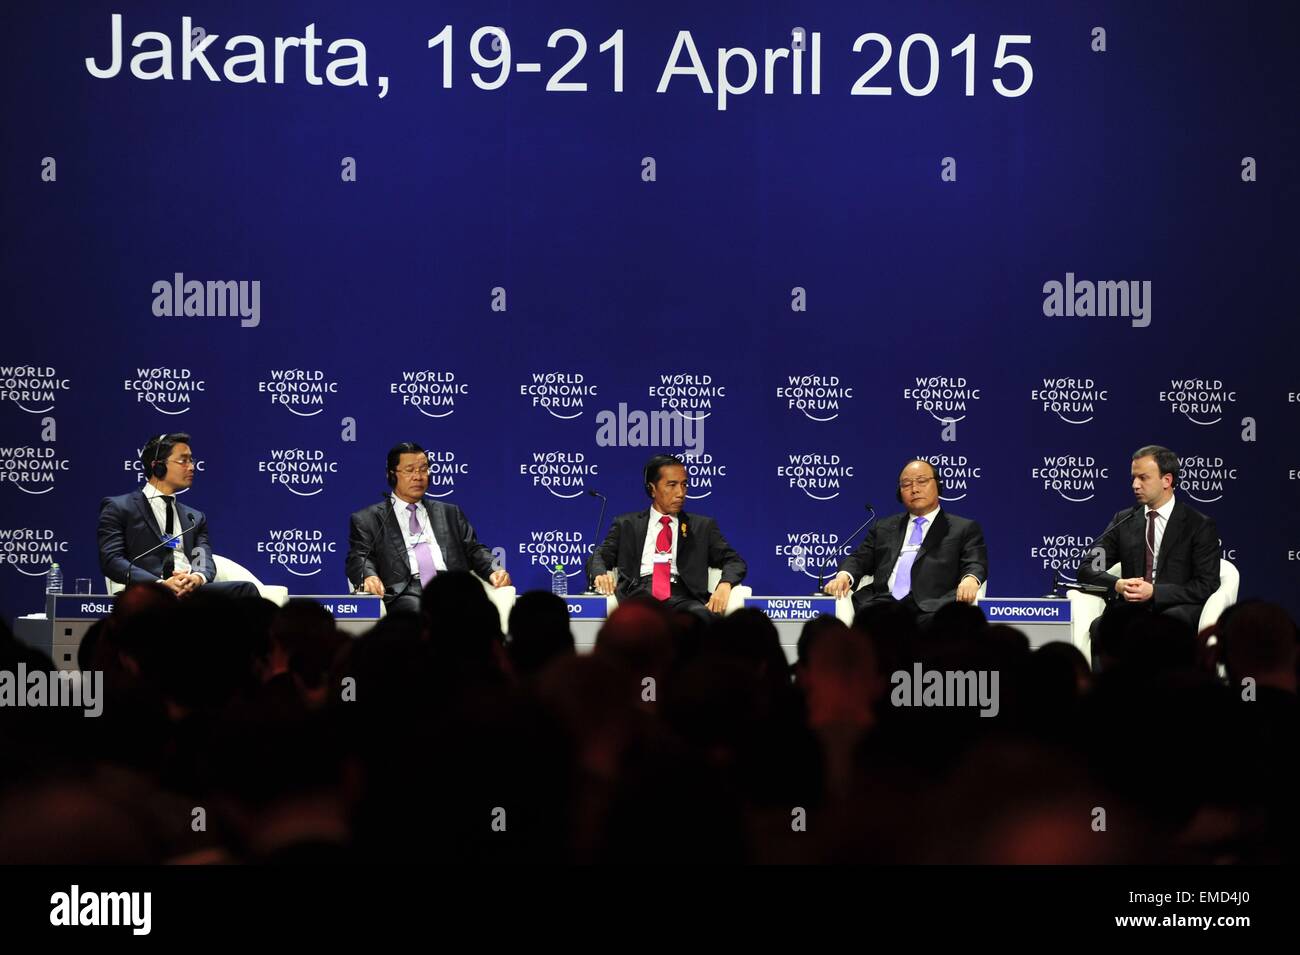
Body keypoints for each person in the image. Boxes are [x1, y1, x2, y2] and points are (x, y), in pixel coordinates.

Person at [345, 441, 510, 614]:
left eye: (423, 469)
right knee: (423, 613)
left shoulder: (450, 512)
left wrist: (494, 569)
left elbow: (474, 549)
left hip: (452, 586)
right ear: (392, 475)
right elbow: (359, 556)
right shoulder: (368, 519)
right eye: (409, 470)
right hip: (406, 592)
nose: (418, 476)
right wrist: (369, 575)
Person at [823, 458, 987, 628]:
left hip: (934, 606)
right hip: (882, 605)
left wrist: (970, 580)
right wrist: (844, 576)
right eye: (906, 484)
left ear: (938, 486)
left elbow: (975, 562)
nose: (914, 489)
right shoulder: (884, 527)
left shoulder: (963, 528)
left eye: (922, 481)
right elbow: (859, 558)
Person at [586, 453, 746, 622]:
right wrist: (600, 574)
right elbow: (598, 556)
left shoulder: (702, 526)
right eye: (672, 485)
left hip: (685, 596)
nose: (681, 493)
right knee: (637, 620)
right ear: (652, 489)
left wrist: (724, 585)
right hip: (640, 594)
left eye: (684, 485)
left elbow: (734, 561)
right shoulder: (627, 524)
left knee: (701, 617)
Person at [1076, 445, 1219, 632]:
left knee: (1161, 628)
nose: (1135, 485)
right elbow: (1088, 569)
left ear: (1166, 480)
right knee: (1100, 628)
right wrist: (1117, 584)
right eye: (1134, 478)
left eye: (1143, 478)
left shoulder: (1198, 525)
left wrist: (1155, 592)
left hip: (1176, 608)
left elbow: (1206, 585)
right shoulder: (1124, 520)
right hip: (1132, 610)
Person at [97, 432, 257, 599]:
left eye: (191, 460)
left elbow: (201, 560)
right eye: (183, 461)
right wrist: (161, 585)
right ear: (158, 466)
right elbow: (111, 561)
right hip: (149, 592)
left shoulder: (194, 518)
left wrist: (196, 578)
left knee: (245, 590)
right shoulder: (120, 507)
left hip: (190, 592)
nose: (192, 467)